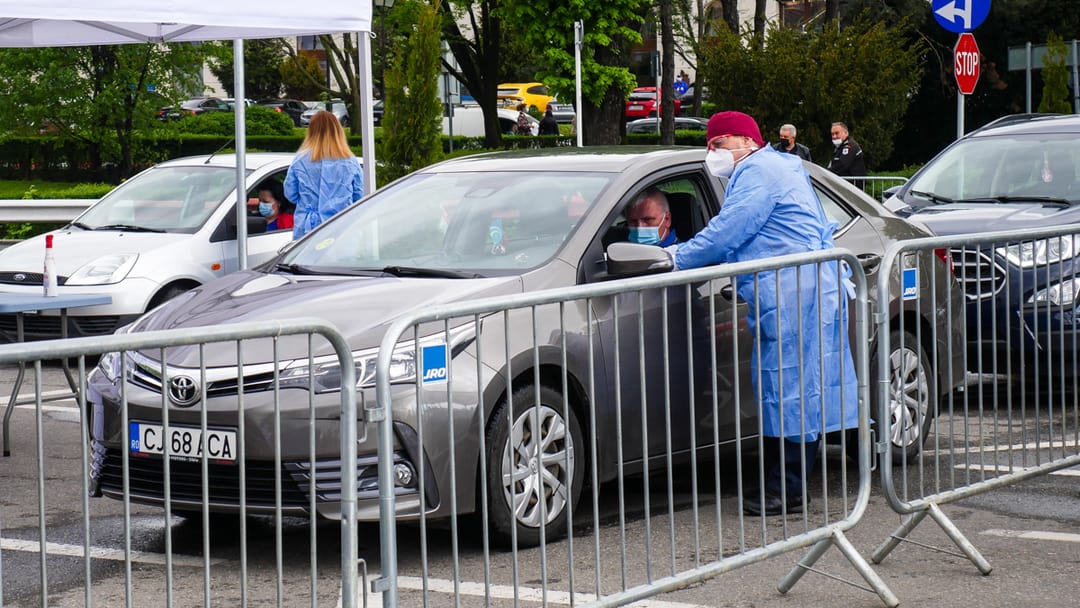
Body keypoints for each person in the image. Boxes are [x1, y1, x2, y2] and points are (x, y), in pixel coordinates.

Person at [666, 110, 859, 517]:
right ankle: (785, 483)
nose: (712, 153)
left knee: (793, 390)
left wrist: (673, 258)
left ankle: (786, 489)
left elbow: (728, 231)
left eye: (718, 145)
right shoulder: (772, 165)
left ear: (745, 141)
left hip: (794, 291)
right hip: (799, 288)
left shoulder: (759, 172)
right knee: (793, 388)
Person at [284, 110, 364, 239]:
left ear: (311, 131)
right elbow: (359, 195)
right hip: (341, 227)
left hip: (308, 228)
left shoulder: (300, 160)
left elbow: (290, 194)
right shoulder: (350, 161)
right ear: (337, 131)